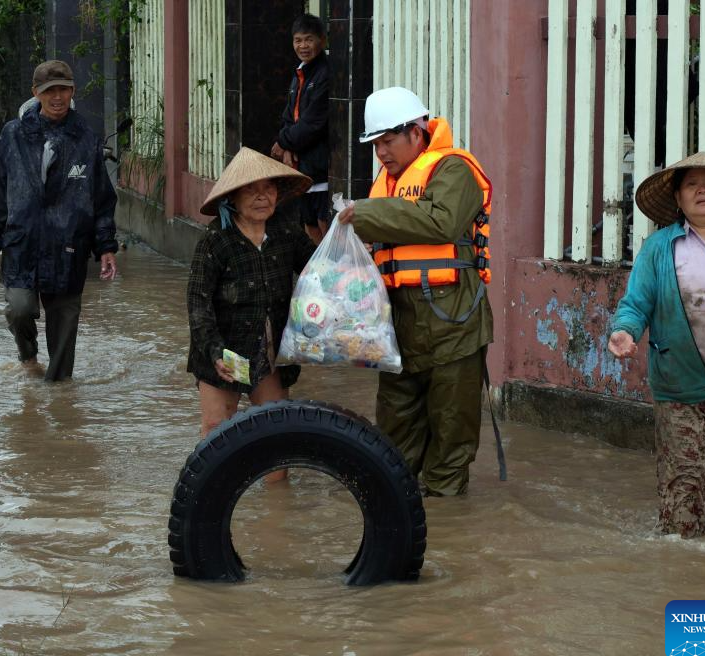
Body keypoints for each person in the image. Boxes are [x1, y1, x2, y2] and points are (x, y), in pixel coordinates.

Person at [335, 87, 493, 497]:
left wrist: (365, 214)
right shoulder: (386, 183)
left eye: (388, 141)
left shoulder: (454, 169)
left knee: (451, 434)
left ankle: (446, 518)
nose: (381, 152)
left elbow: (441, 222)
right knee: (393, 436)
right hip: (399, 324)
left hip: (452, 323)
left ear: (417, 132)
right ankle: (396, 510)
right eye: (375, 144)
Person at [608, 151, 705, 538]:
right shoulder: (659, 248)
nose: (703, 190)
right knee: (683, 495)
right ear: (678, 199)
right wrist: (625, 331)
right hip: (680, 387)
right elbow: (636, 303)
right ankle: (679, 558)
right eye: (692, 184)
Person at [0, 60, 119, 382]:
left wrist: (106, 246)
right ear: (36, 93)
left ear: (73, 91)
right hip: (22, 243)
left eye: (63, 90)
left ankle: (60, 395)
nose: (57, 97)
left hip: (68, 247)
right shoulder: (14, 134)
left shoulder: (85, 138)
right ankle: (28, 358)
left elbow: (102, 198)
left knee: (64, 328)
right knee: (19, 308)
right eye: (49, 91)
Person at [187, 147, 314, 481]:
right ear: (233, 197)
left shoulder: (286, 232)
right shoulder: (216, 240)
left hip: (270, 349)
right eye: (251, 190)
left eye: (268, 188)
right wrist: (214, 351)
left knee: (274, 431)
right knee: (218, 429)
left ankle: (276, 503)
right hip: (226, 348)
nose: (262, 197)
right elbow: (198, 303)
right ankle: (212, 497)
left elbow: (318, 268)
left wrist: (349, 246)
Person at [269, 13, 330, 245]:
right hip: (302, 166)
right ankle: (315, 266)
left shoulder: (325, 73)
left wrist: (284, 143)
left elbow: (313, 123)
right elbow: (289, 116)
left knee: (325, 224)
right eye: (298, 40)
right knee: (309, 224)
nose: (303, 46)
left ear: (322, 40)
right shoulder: (300, 73)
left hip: (320, 165)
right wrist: (287, 146)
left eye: (309, 39)